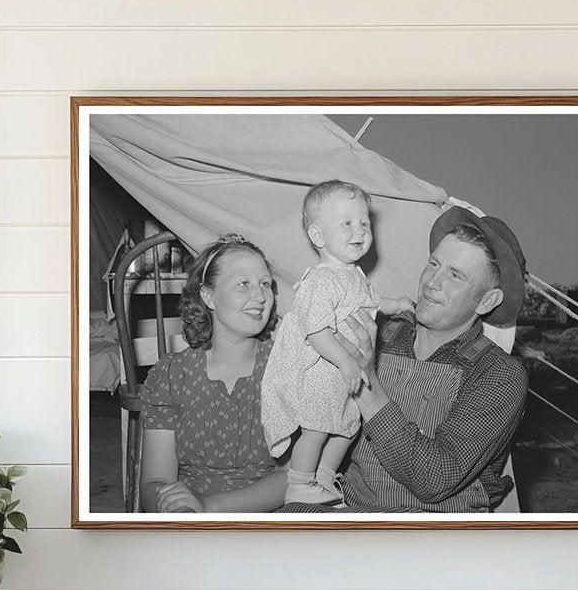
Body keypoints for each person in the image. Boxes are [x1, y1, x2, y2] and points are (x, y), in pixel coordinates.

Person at [336, 205, 530, 513]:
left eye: (455, 276)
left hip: (437, 534)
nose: (432, 282)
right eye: (434, 264)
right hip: (353, 514)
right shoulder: (380, 336)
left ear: (486, 300)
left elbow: (435, 478)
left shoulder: (499, 374)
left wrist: (366, 382)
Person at [260, 180, 414, 506]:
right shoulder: (320, 279)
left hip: (344, 374)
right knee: (316, 428)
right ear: (318, 236)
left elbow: (371, 301)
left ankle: (325, 479)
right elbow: (314, 330)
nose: (358, 230)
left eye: (364, 223)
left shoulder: (354, 275)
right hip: (323, 368)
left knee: (346, 429)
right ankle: (299, 483)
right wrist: (345, 361)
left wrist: (396, 303)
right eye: (346, 223)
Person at [139, 234, 286, 514]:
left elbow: (291, 477)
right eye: (244, 284)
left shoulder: (284, 370)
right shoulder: (172, 374)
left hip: (269, 515)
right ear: (208, 296)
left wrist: (208, 507)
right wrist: (176, 510)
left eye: (265, 284)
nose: (260, 296)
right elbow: (155, 480)